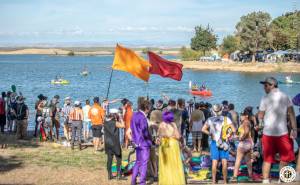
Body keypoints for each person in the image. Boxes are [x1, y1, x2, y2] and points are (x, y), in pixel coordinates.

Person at [258, 77, 297, 184]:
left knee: (267, 159)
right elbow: (292, 114)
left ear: (272, 85)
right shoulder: (285, 96)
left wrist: (261, 120)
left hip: (268, 134)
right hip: (282, 132)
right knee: (284, 159)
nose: (264, 87)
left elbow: (260, 116)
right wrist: (294, 129)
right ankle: (282, 179)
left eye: (265, 85)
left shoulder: (265, 98)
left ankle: (265, 181)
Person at [202, 104, 235, 184]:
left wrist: (210, 134)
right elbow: (233, 130)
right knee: (224, 162)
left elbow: (203, 129)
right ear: (221, 110)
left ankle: (213, 182)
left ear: (213, 111)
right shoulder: (226, 119)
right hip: (224, 142)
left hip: (214, 142)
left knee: (214, 162)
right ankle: (225, 182)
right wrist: (228, 136)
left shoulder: (210, 119)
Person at [157, 111, 185, 185]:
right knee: (174, 164)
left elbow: (158, 136)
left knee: (165, 164)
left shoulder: (161, 125)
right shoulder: (173, 124)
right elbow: (178, 136)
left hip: (164, 144)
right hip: (173, 144)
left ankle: (165, 181)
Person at [131, 99, 152, 185]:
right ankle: (142, 182)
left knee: (138, 162)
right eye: (149, 108)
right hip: (144, 143)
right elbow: (145, 132)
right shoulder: (143, 117)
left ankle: (133, 180)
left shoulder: (134, 115)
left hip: (136, 142)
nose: (150, 109)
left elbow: (132, 128)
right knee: (144, 163)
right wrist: (151, 141)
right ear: (146, 108)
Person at [231, 108, 254, 182]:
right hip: (249, 143)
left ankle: (234, 177)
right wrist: (237, 136)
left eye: (242, 115)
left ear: (246, 116)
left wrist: (241, 138)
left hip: (244, 143)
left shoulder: (246, 122)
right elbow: (247, 133)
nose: (241, 117)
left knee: (238, 160)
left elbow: (246, 132)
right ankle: (250, 177)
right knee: (248, 161)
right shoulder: (247, 122)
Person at [104, 108, 126, 180]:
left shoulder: (105, 121)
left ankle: (109, 175)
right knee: (119, 158)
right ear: (114, 115)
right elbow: (123, 125)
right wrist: (121, 117)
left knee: (109, 159)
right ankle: (119, 175)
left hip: (107, 142)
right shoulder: (115, 123)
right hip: (114, 142)